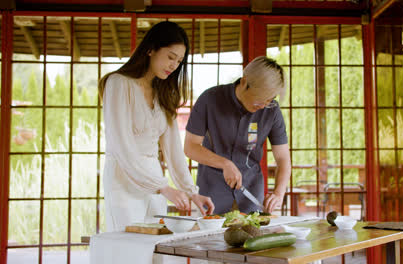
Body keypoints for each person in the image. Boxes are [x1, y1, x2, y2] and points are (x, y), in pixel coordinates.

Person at [98, 21, 214, 232]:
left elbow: (174, 151)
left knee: (156, 247)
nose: (174, 65)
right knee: (129, 249)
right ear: (150, 49)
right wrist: (162, 188)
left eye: (179, 61)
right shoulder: (118, 83)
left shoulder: (163, 94)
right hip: (123, 179)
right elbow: (122, 147)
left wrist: (191, 192)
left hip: (155, 179)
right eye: (170, 57)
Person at [184, 56, 291, 214]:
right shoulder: (210, 99)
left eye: (269, 100)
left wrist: (278, 193)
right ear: (244, 82)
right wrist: (225, 164)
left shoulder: (271, 110)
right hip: (211, 193)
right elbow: (190, 147)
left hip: (251, 193)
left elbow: (283, 158)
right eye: (258, 100)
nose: (263, 106)